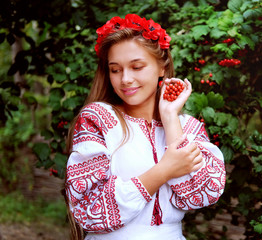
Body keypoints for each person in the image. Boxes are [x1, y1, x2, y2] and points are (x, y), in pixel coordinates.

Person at [64, 13, 226, 240]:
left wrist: (170, 118)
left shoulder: (187, 127)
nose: (125, 79)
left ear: (162, 67)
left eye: (137, 67)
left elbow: (202, 196)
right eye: (115, 69)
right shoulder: (98, 119)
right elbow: (88, 210)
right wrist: (164, 170)